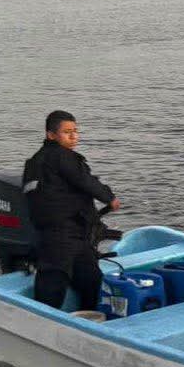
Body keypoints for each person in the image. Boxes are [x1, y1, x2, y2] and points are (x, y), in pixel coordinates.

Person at [22, 110, 120, 311]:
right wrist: (109, 198)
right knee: (52, 288)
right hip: (61, 236)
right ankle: (45, 330)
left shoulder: (34, 162)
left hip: (66, 235)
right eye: (67, 132)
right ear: (51, 135)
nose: (74, 136)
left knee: (91, 278)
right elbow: (86, 181)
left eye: (75, 131)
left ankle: (87, 321)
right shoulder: (63, 157)